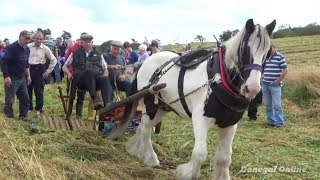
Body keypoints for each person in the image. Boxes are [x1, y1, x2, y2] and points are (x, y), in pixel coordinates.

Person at [62, 33, 112, 112]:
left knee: (105, 79)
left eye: (90, 41)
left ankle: (108, 105)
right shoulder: (75, 53)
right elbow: (64, 66)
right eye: (86, 42)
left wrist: (104, 76)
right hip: (80, 80)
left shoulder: (98, 54)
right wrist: (68, 73)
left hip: (95, 80)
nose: (88, 43)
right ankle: (95, 97)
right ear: (81, 43)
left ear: (92, 42)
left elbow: (105, 69)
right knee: (89, 71)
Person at [1, 30, 32, 119]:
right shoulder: (11, 48)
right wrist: (6, 76)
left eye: (29, 39)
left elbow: (26, 63)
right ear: (20, 37)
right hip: (12, 78)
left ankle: (23, 116)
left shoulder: (27, 49)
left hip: (22, 78)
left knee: (25, 98)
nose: (27, 41)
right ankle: (8, 117)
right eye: (26, 38)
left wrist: (28, 75)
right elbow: (4, 63)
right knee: (10, 99)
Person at [27, 31, 57, 114]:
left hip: (40, 70)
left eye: (40, 39)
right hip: (29, 69)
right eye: (37, 39)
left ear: (43, 39)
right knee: (28, 89)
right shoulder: (28, 46)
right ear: (34, 38)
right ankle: (29, 108)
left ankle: (38, 109)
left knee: (39, 91)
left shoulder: (45, 48)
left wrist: (48, 71)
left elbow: (54, 60)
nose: (39, 40)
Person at [262, 44, 288, 128]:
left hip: (275, 86)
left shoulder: (279, 57)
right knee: (268, 104)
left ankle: (280, 122)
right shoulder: (266, 57)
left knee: (277, 105)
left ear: (274, 48)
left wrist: (278, 80)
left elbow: (285, 70)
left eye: (270, 49)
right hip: (265, 84)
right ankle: (271, 121)